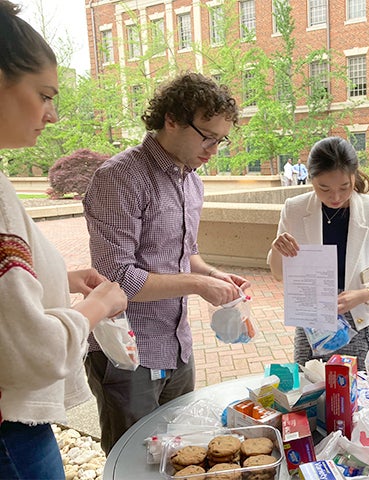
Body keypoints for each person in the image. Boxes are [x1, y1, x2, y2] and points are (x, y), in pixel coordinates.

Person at [83, 72, 251, 454]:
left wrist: (212, 274)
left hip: (177, 347)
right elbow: (117, 281)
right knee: (134, 461)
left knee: (181, 454)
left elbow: (182, 254)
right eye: (206, 136)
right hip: (127, 352)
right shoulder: (120, 177)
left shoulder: (191, 181)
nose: (213, 149)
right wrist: (198, 285)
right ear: (172, 119)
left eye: (220, 140)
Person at [0, 2, 127, 478]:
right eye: (44, 94)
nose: (51, 115)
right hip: (10, 429)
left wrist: (61, 277)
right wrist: (97, 306)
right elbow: (36, 352)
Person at [269, 136, 369, 369]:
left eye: (344, 187)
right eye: (324, 188)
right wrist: (277, 249)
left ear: (355, 176)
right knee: (312, 393)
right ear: (311, 179)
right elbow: (278, 274)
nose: (335, 197)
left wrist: (363, 294)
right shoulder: (295, 209)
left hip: (362, 321)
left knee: (363, 395)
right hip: (314, 327)